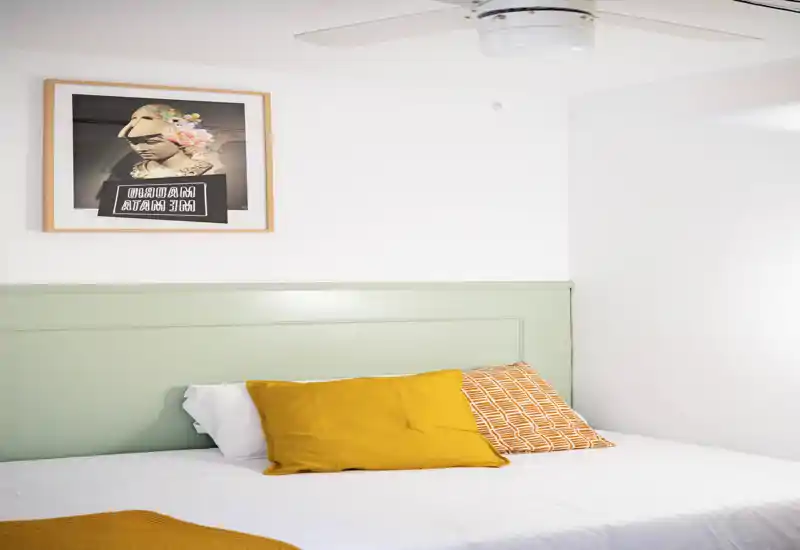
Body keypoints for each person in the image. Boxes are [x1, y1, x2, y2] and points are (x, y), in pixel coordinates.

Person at [117, 104, 224, 179]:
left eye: (152, 142)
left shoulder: (201, 168)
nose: (140, 149)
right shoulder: (139, 171)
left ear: (181, 138)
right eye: (134, 143)